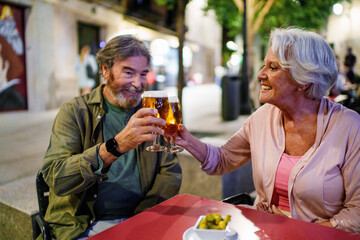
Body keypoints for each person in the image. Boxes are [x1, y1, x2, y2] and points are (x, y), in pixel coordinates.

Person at [173, 28, 360, 233]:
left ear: (304, 81)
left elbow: (356, 214)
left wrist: (294, 231)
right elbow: (222, 160)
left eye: (273, 67)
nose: (261, 74)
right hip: (264, 232)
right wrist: (186, 139)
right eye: (264, 65)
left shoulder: (349, 127)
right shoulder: (263, 117)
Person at [40, 35, 182, 240]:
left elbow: (170, 171)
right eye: (128, 72)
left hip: (142, 219)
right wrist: (114, 147)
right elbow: (57, 178)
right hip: (86, 224)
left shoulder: (152, 111)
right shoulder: (76, 112)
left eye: (143, 74)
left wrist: (145, 217)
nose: (138, 83)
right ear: (105, 70)